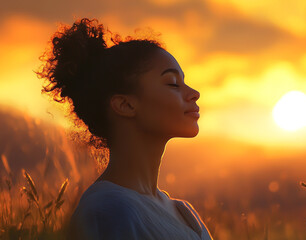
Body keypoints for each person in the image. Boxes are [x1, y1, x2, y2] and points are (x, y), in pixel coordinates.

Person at [37, 18, 213, 239]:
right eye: (172, 83)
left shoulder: (183, 213)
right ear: (125, 105)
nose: (193, 93)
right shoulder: (108, 211)